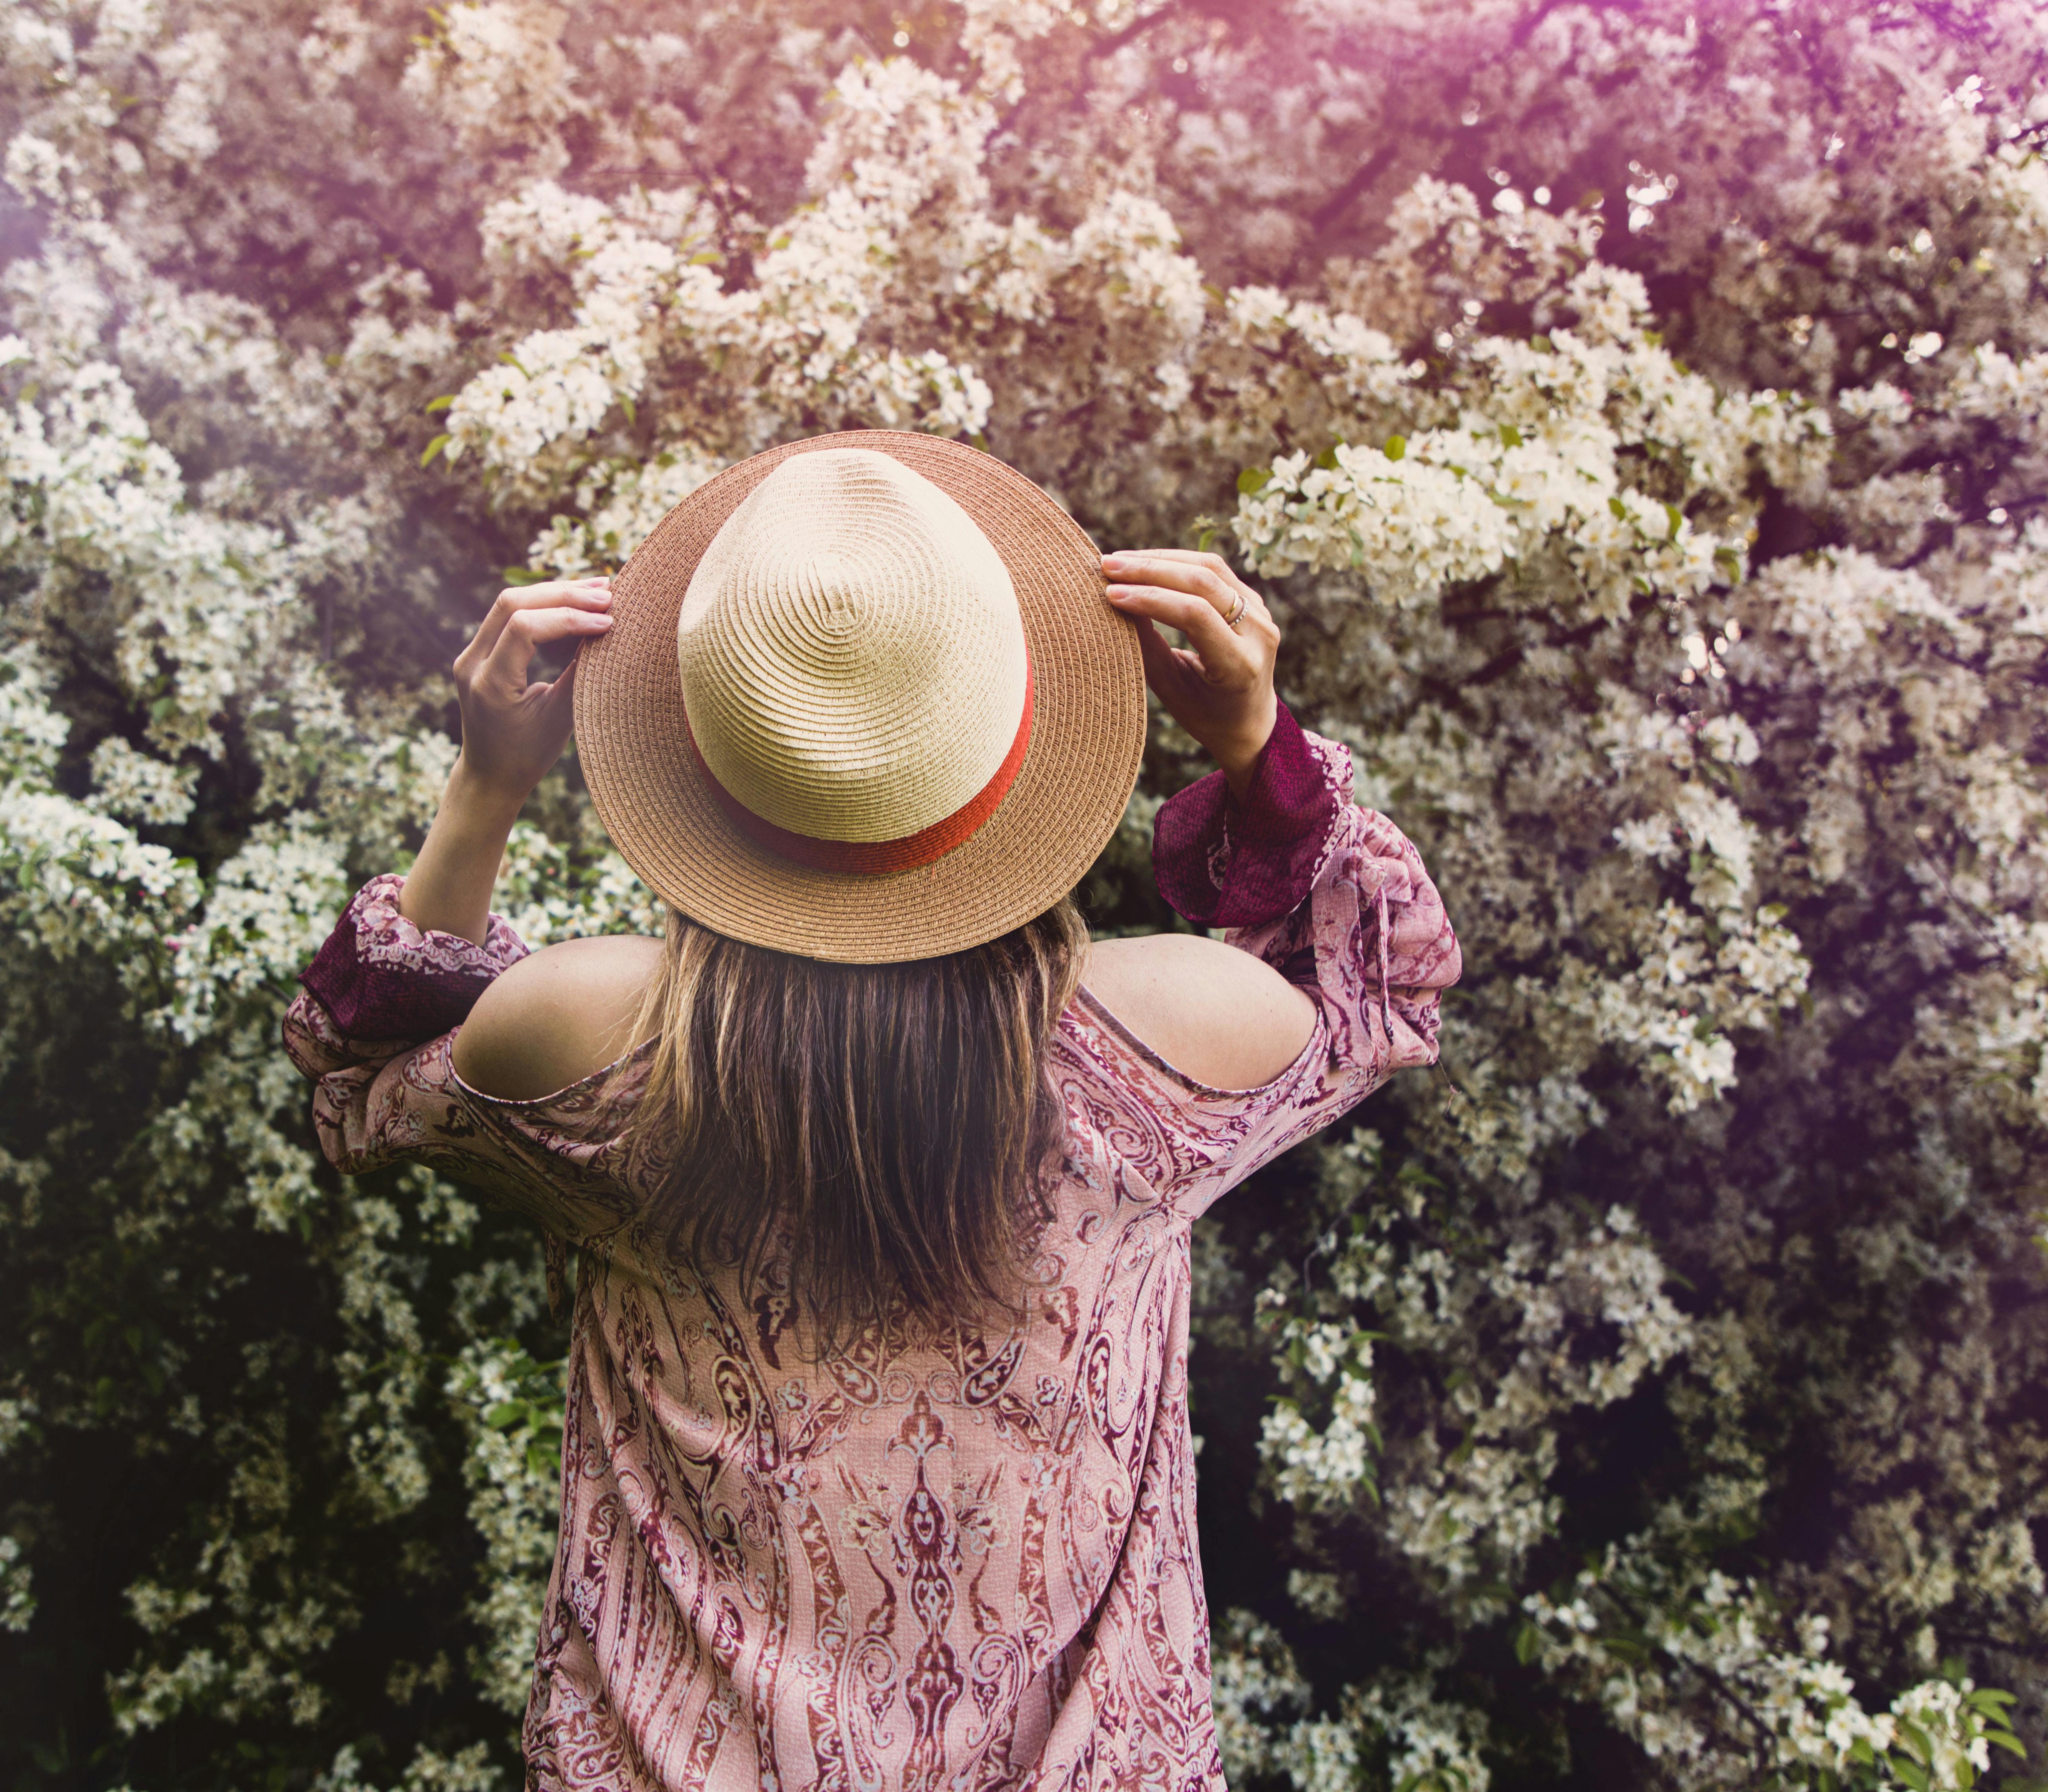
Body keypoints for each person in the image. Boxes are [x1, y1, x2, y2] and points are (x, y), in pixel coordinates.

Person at [284, 433, 1460, 1791]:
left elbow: (355, 1070)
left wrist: (487, 782)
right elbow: (1379, 978)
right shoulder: (1176, 1040)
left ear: (698, 752)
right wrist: (1262, 750)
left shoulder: (590, 1041)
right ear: (1013, 737)